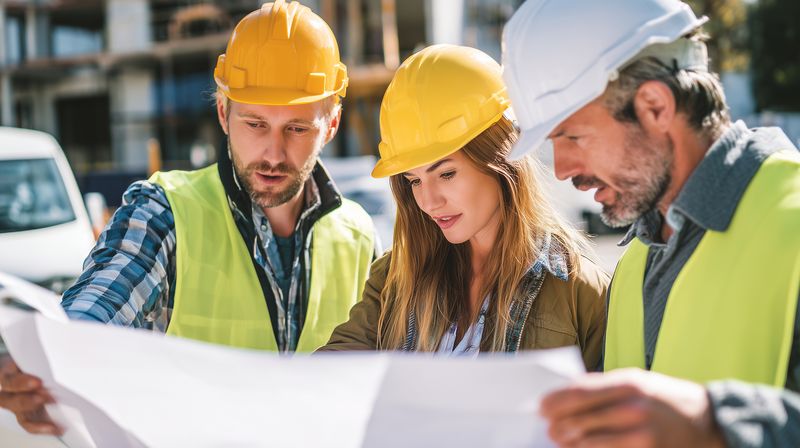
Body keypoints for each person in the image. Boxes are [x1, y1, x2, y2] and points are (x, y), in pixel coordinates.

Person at [0, 0, 378, 436]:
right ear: (223, 114)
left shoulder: (359, 237)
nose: (273, 154)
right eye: (255, 124)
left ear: (331, 124)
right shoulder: (164, 212)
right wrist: (45, 361)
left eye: (297, 128)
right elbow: (96, 310)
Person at [502, 0, 800, 446]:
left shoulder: (792, 220)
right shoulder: (635, 262)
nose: (561, 169)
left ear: (656, 107)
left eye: (573, 136)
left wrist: (714, 423)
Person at [319, 44, 608, 364]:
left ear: (501, 158)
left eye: (446, 174)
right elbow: (336, 368)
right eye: (414, 180)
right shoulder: (395, 276)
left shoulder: (580, 292)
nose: (428, 202)